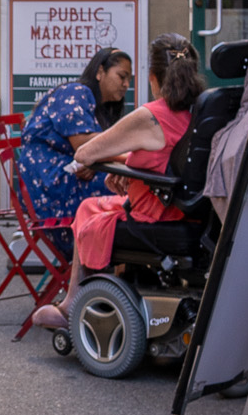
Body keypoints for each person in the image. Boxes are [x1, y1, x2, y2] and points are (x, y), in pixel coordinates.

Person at [32, 35, 204, 331]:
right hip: (190, 209)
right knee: (98, 204)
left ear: (152, 78)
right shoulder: (201, 110)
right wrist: (130, 166)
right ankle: (111, 287)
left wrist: (122, 164)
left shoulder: (150, 116)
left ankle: (72, 302)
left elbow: (85, 152)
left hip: (155, 212)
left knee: (89, 207)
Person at [15, 46, 133, 252]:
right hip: (50, 182)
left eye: (129, 80)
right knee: (126, 188)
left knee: (123, 184)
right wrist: (131, 157)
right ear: (99, 72)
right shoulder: (76, 91)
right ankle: (120, 260)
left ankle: (116, 262)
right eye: (121, 76)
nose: (126, 84)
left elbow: (91, 152)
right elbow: (84, 145)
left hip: (62, 177)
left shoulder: (98, 107)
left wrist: (96, 163)